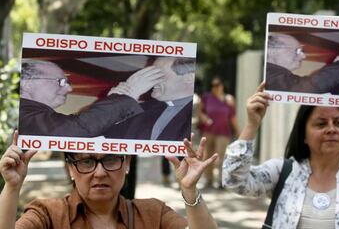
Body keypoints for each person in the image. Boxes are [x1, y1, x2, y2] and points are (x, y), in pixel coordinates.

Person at [222, 82, 339, 228]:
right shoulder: (283, 171)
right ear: (303, 135)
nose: (331, 129)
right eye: (320, 124)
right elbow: (233, 181)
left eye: (338, 123)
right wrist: (252, 124)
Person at [0, 132, 219, 229]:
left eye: (111, 160)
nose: (100, 173)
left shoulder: (153, 214)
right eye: (86, 162)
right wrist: (12, 187)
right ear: (71, 168)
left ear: (127, 164)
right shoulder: (48, 214)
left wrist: (190, 190)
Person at [105, 57, 195, 185]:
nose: (150, 82)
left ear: (188, 78)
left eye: (158, 74)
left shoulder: (193, 116)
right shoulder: (142, 108)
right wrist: (113, 108)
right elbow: (107, 139)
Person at [19, 59, 164, 137]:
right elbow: (77, 128)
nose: (69, 88)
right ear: (27, 84)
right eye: (61, 82)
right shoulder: (23, 114)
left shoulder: (31, 114)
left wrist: (115, 100)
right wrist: (129, 92)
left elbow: (75, 124)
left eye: (68, 82)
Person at [265, 33, 339, 93]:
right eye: (297, 50)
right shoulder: (270, 76)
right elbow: (307, 88)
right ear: (272, 50)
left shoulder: (271, 74)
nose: (303, 56)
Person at [197, 77, 240, 188]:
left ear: (222, 86)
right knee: (208, 156)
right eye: (214, 85)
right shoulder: (206, 98)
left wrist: (238, 131)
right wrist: (204, 118)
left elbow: (233, 116)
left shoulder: (229, 99)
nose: (216, 87)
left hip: (224, 132)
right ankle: (209, 180)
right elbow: (199, 111)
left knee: (221, 156)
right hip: (209, 131)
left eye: (218, 85)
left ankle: (221, 181)